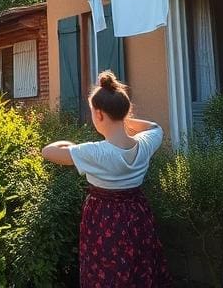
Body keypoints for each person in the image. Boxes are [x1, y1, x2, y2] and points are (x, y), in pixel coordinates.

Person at [41, 71, 171, 288]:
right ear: (124, 112)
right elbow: (154, 127)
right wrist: (124, 119)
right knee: (141, 266)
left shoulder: (95, 153)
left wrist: (72, 145)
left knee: (107, 273)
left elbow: (48, 151)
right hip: (138, 216)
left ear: (99, 114)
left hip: (104, 221)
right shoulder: (145, 144)